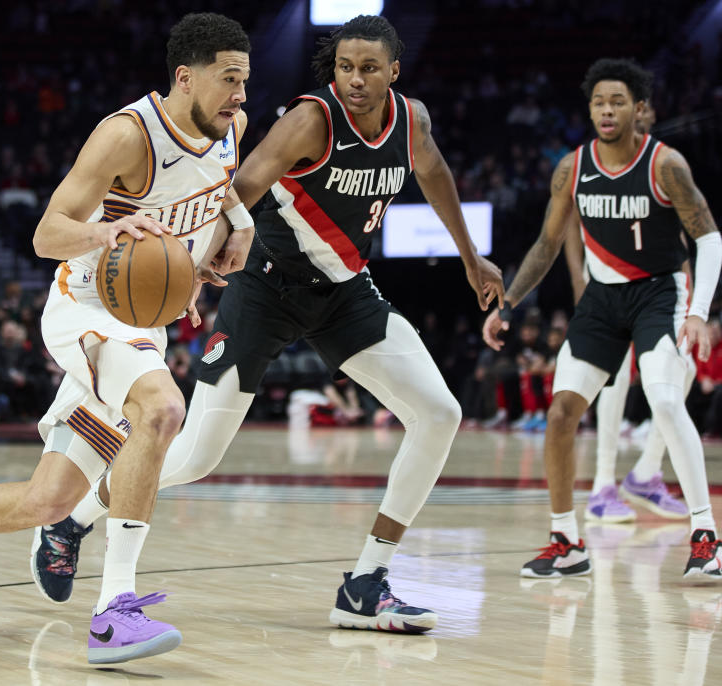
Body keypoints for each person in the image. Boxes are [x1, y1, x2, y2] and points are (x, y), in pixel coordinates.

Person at [48, 15, 505, 633]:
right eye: (345, 67)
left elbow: (435, 174)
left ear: (394, 71)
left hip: (345, 293)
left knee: (441, 413)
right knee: (195, 458)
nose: (356, 79)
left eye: (370, 68)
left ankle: (366, 583)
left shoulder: (411, 120)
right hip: (267, 287)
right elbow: (242, 183)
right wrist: (203, 260)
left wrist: (471, 256)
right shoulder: (311, 119)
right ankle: (76, 516)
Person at [0, 12, 254, 664]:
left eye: (246, 80)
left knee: (49, 501)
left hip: (142, 325)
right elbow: (46, 235)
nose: (241, 95)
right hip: (85, 308)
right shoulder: (127, 136)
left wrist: (233, 228)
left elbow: (219, 189)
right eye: (229, 79)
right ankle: (114, 611)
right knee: (162, 410)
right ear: (185, 78)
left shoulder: (230, 126)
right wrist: (105, 233)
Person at [482, 58, 722, 580]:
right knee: (562, 410)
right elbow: (547, 244)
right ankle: (566, 540)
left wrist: (699, 313)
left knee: (662, 396)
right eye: (598, 102)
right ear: (589, 109)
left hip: (660, 292)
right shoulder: (573, 167)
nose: (607, 110)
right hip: (602, 299)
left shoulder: (666, 165)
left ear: (640, 110)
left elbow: (708, 236)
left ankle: (706, 535)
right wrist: (509, 304)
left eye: (617, 101)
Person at [563, 100, 689, 523]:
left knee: (682, 371)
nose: (643, 114)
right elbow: (569, 228)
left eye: (647, 108)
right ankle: (602, 485)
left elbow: (678, 235)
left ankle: (646, 472)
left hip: (657, 289)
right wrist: (582, 286)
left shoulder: (663, 161)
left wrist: (685, 287)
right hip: (607, 288)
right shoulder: (589, 163)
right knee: (613, 382)